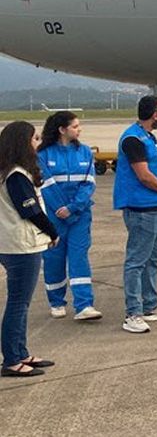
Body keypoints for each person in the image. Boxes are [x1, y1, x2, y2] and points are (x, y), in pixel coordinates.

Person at [114, 96, 157, 334]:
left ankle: (150, 305)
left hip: (154, 206)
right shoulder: (133, 138)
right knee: (136, 261)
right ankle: (133, 312)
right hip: (140, 208)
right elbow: (143, 175)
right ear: (155, 114)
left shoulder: (150, 138)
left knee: (153, 258)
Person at [0, 122, 58, 377]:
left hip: (11, 243)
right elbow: (30, 209)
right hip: (21, 246)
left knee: (20, 302)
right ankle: (12, 360)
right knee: (18, 303)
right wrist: (53, 232)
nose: (37, 143)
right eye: (34, 139)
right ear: (23, 143)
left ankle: (20, 352)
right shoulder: (17, 176)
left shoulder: (8, 172)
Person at [37, 112, 101, 321]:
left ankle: (84, 305)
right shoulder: (43, 154)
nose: (79, 129)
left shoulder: (84, 152)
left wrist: (73, 208)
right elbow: (45, 185)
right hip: (54, 217)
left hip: (79, 215)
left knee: (79, 257)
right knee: (54, 259)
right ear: (62, 129)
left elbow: (89, 183)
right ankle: (56, 301)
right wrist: (61, 209)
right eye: (75, 126)